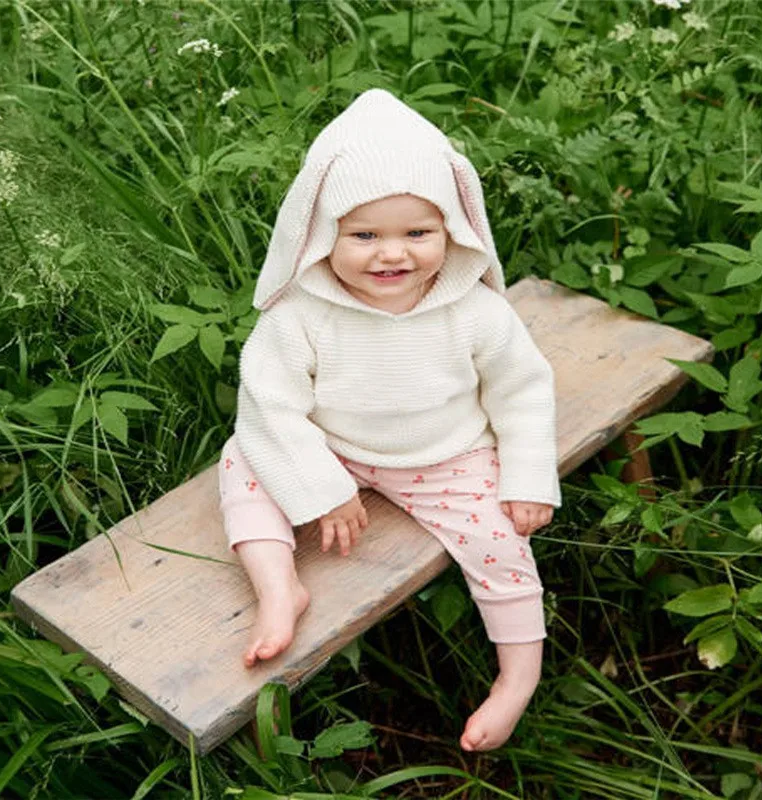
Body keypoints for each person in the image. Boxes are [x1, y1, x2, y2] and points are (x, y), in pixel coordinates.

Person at [218, 89, 560, 752]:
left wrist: (526, 474)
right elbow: (269, 403)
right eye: (365, 235)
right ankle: (279, 586)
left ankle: (518, 676)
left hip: (445, 456)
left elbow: (522, 390)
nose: (391, 255)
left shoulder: (474, 309)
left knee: (500, 544)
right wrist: (322, 487)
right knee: (242, 461)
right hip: (333, 448)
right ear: (323, 235)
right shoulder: (301, 315)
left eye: (417, 233)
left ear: (452, 231)